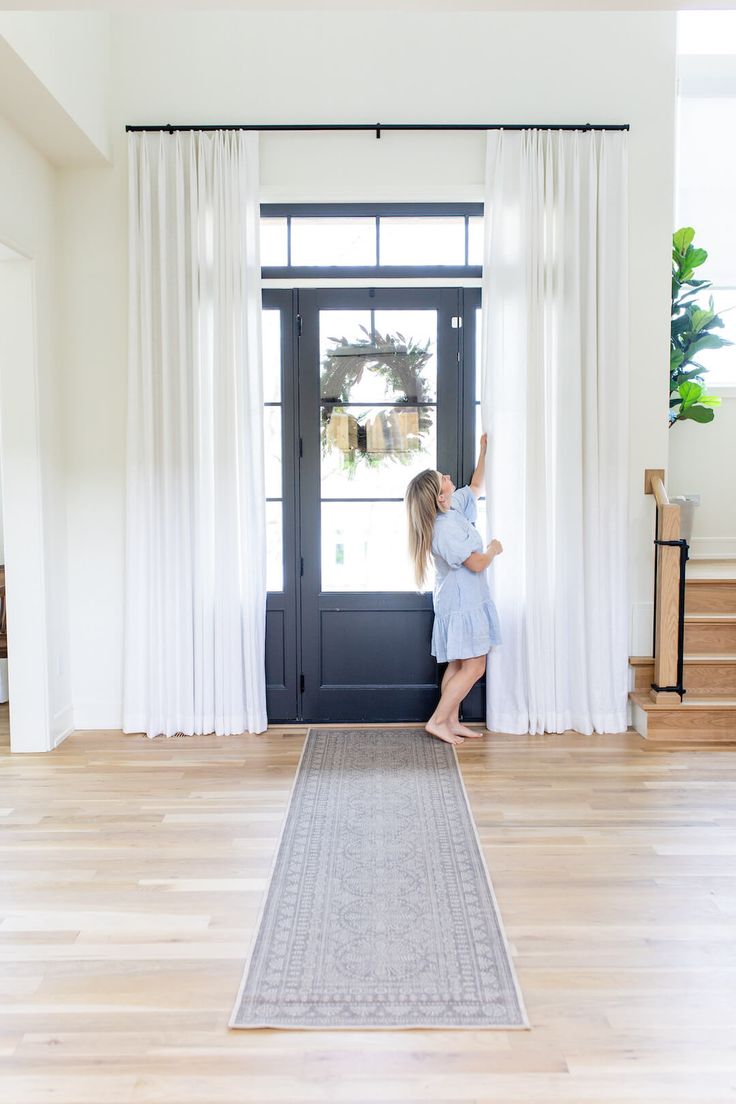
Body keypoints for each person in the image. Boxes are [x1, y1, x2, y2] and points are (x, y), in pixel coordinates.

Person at [405, 434, 502, 746]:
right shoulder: (444, 529)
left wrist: (484, 451)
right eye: (442, 478)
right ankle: (437, 720)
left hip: (464, 600)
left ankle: (450, 720)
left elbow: (476, 486)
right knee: (475, 665)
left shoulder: (452, 509)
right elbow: (475, 564)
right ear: (439, 498)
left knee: (459, 664)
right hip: (461, 604)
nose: (447, 476)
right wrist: (493, 550)